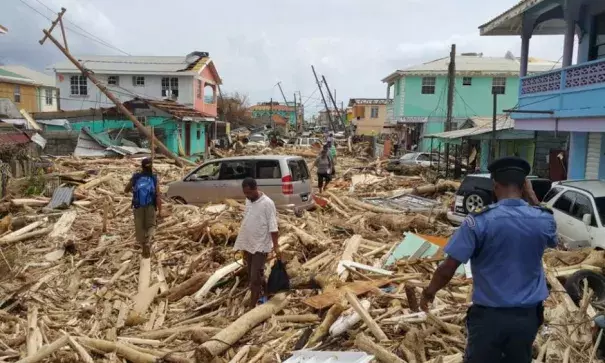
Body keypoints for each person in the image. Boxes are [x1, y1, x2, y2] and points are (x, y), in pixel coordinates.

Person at [420, 156, 557, 363]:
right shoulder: (543, 219)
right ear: (524, 185)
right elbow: (552, 237)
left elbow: (448, 267)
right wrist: (533, 199)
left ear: (495, 185)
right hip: (526, 318)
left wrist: (429, 292)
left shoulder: (478, 222)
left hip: (489, 319)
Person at [234, 178, 281, 308]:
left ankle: (253, 304)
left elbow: (273, 226)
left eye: (249, 193)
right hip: (249, 244)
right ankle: (267, 291)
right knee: (252, 275)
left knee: (254, 278)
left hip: (261, 245)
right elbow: (248, 220)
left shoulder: (267, 203)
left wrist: (276, 246)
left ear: (256, 188)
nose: (247, 196)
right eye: (245, 193)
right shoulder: (248, 201)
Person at [125, 158, 162, 259]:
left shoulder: (137, 177)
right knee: (151, 226)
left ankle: (143, 248)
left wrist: (133, 189)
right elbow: (158, 195)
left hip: (138, 206)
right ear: (151, 166)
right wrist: (160, 210)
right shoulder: (154, 178)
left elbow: (126, 190)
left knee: (140, 227)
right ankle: (148, 242)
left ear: (142, 166)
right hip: (150, 205)